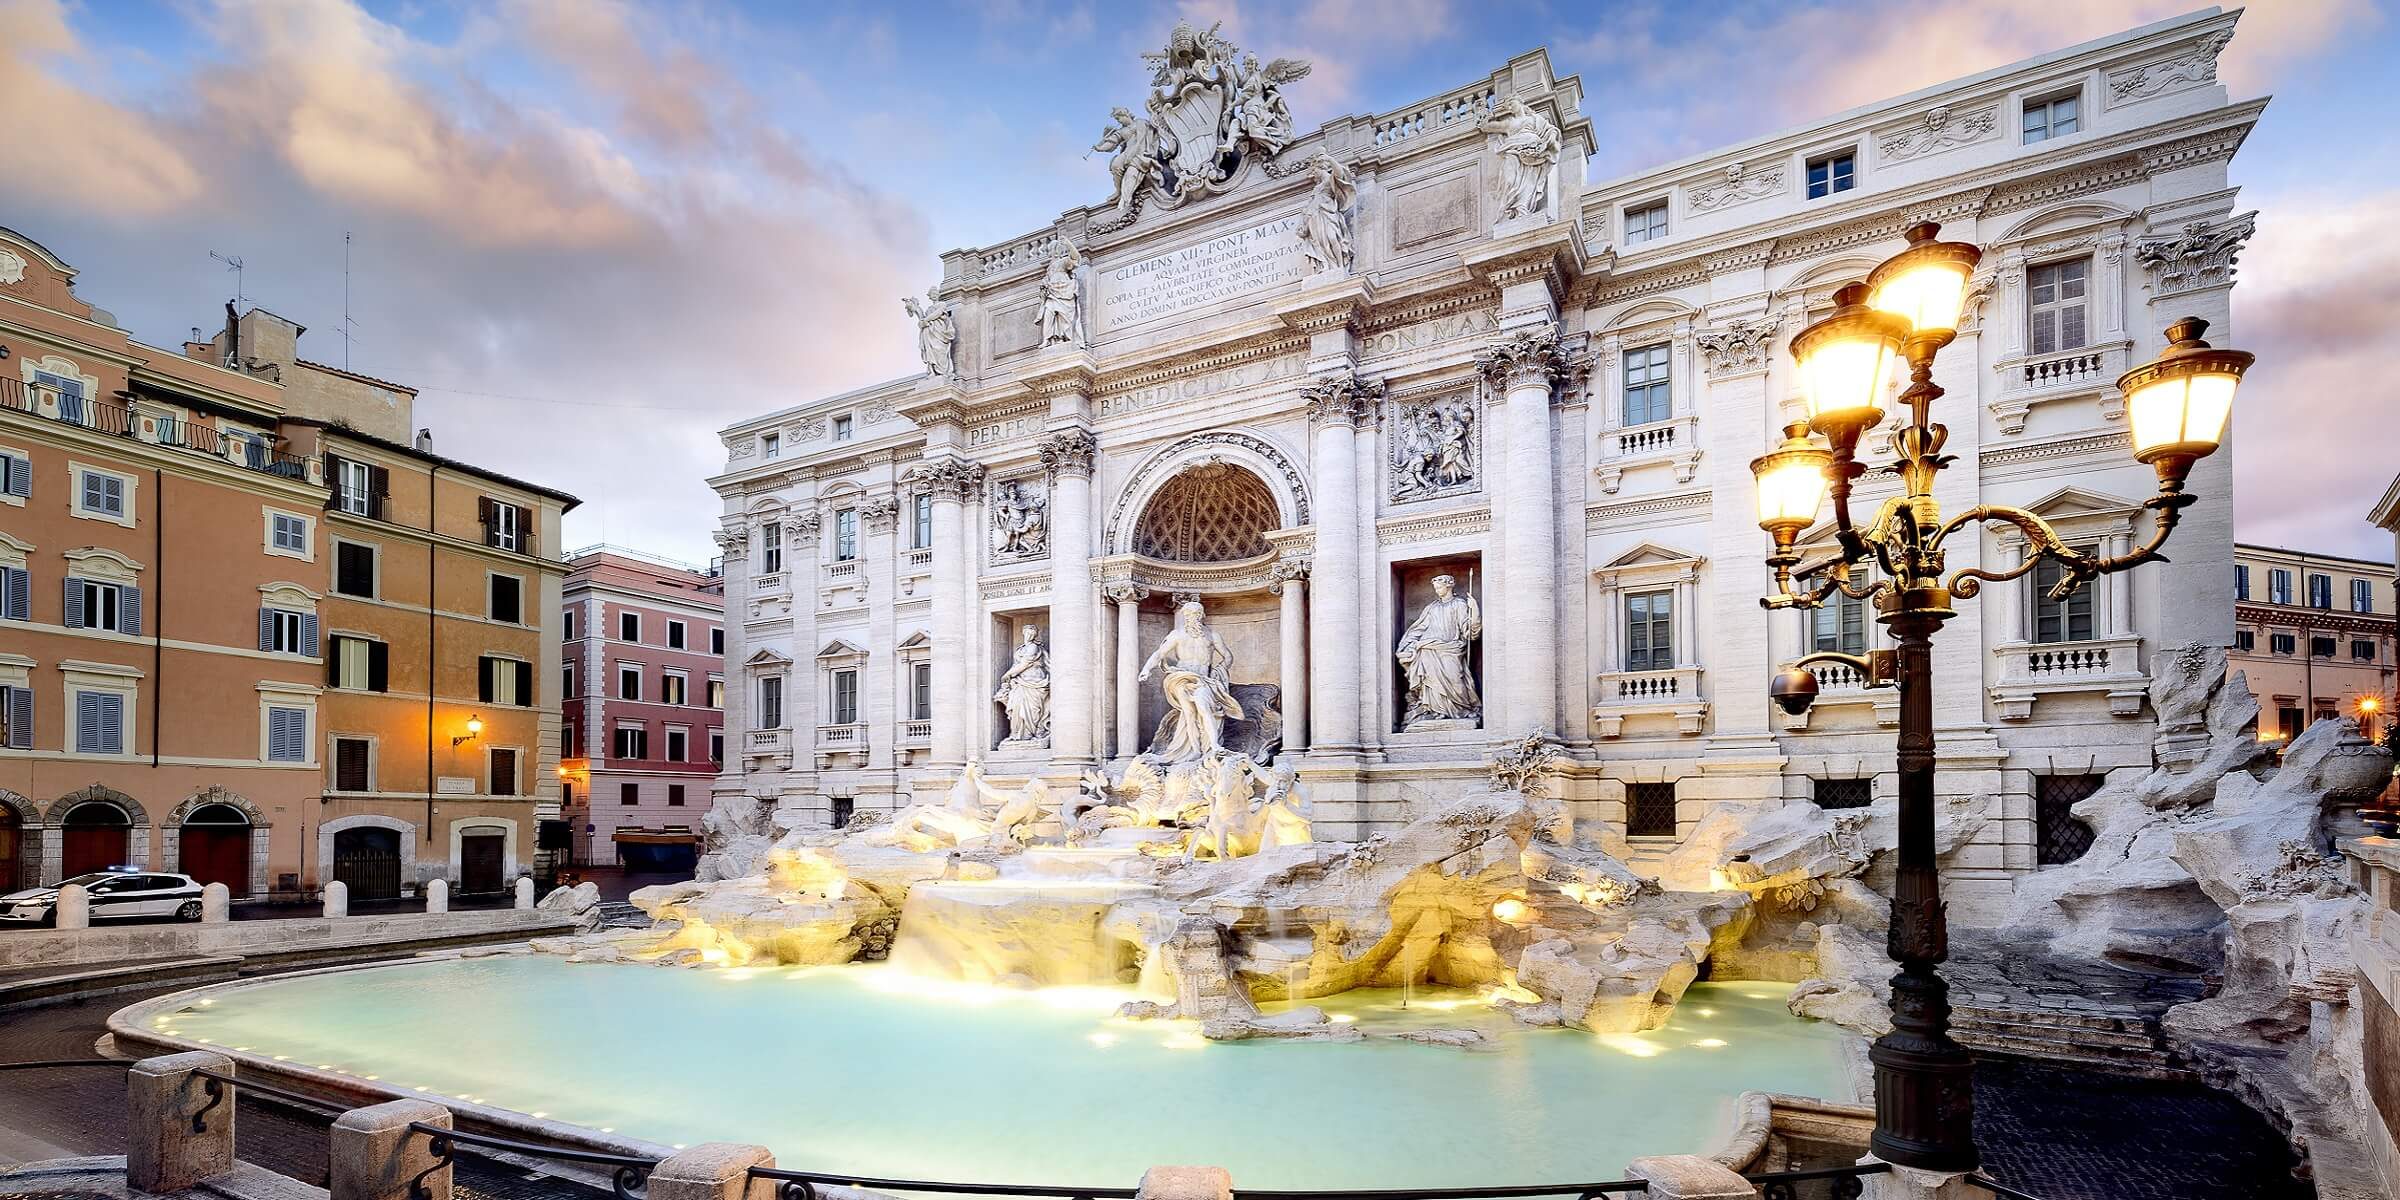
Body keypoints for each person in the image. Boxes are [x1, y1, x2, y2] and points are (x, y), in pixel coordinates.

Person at [1137, 599, 1243, 763]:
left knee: (1203, 705)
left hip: (1203, 679)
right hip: (1181, 677)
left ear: (1202, 615)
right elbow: (1159, 654)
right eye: (1188, 614)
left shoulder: (1212, 636)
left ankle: (1214, 746)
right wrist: (1146, 669)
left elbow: (1228, 656)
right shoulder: (1177, 634)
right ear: (1185, 616)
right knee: (1189, 714)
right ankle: (1194, 749)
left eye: (1195, 614)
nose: (1192, 617)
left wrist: (1219, 670)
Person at [1396, 574, 1483, 725]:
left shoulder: (1459, 604)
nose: (1437, 591)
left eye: (1439, 587)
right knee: (1431, 682)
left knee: (1456, 680)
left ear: (1449, 586)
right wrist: (1408, 645)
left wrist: (1474, 610)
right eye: (1435, 588)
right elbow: (1418, 628)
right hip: (1429, 648)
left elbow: (1468, 631)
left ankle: (1460, 710)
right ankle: (1436, 711)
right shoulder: (1432, 608)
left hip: (1452, 648)